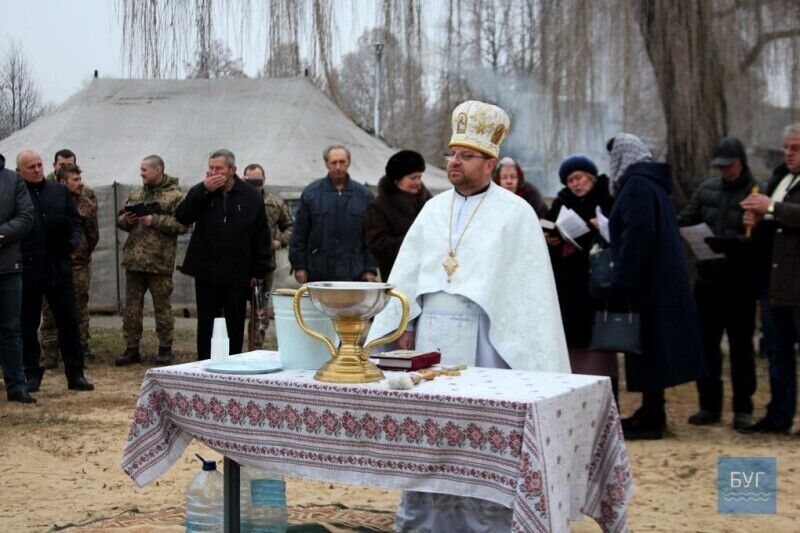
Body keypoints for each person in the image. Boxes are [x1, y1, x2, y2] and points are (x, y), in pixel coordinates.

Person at [367, 100, 569, 532]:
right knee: (431, 439)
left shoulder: (516, 214)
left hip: (487, 344)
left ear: (490, 162)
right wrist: (403, 324)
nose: (454, 162)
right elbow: (407, 277)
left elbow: (529, 298)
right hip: (431, 346)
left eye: (465, 155)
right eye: (451, 154)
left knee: (481, 442)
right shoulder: (433, 208)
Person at [606, 133, 704, 440]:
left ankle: (652, 417)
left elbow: (638, 235)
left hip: (645, 282)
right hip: (659, 280)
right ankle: (652, 409)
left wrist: (622, 278)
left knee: (647, 346)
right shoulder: (652, 184)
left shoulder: (636, 186)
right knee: (651, 346)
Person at [677, 137, 758, 430]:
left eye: (730, 166)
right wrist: (683, 226)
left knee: (741, 349)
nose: (725, 171)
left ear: (741, 163)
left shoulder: (756, 192)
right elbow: (687, 217)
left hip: (740, 284)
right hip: (707, 281)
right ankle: (709, 406)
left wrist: (732, 244)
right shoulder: (706, 189)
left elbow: (760, 241)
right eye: (721, 166)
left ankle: (743, 410)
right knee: (707, 346)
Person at [175, 149, 273, 360]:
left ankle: (232, 363)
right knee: (207, 322)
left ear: (233, 170)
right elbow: (182, 216)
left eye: (218, 168)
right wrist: (204, 190)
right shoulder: (201, 191)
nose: (213, 172)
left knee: (234, 322)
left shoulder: (250, 196)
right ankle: (204, 363)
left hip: (238, 272)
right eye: (210, 168)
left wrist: (259, 269)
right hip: (206, 270)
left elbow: (261, 235)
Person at [739, 123, 800, 434]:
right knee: (778, 352)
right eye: (786, 148)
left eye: (795, 148)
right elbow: (775, 222)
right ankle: (779, 415)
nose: (788, 153)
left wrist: (772, 207)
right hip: (774, 282)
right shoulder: (780, 178)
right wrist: (758, 217)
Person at [16, 150, 94, 392]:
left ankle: (75, 373)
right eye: (31, 167)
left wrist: (71, 244)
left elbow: (76, 221)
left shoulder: (59, 191)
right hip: (29, 268)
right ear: (20, 172)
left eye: (39, 165)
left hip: (59, 268)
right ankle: (31, 374)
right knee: (28, 324)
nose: (38, 170)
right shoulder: (15, 195)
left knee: (69, 321)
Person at [544, 155, 617, 396]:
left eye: (579, 178)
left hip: (597, 281)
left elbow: (617, 234)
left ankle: (606, 395)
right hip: (569, 283)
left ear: (591, 177)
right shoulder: (561, 202)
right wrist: (552, 239)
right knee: (572, 343)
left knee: (599, 344)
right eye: (570, 180)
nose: (575, 184)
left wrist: (601, 226)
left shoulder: (606, 200)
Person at [115, 156, 188, 366]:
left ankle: (165, 348)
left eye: (145, 170)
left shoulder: (175, 196)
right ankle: (131, 348)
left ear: (159, 170)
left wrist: (154, 220)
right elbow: (120, 220)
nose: (141, 173)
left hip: (159, 262)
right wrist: (126, 220)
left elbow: (183, 225)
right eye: (141, 169)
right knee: (132, 308)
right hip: (135, 261)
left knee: (162, 307)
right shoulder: (136, 193)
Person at [40, 164, 99, 370]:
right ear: (62, 182)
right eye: (75, 180)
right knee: (49, 310)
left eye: (80, 179)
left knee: (79, 307)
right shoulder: (49, 200)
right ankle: (49, 352)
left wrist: (80, 252)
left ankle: (80, 349)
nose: (80, 183)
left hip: (77, 264)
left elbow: (93, 235)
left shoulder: (86, 203)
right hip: (52, 262)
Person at [289, 145, 377, 283]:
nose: (338, 167)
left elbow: (371, 237)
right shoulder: (311, 194)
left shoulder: (364, 196)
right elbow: (299, 234)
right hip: (319, 272)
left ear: (349, 163)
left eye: (342, 162)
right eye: (334, 162)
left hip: (354, 273)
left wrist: (370, 268)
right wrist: (299, 266)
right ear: (326, 164)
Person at [0, 153, 35, 403]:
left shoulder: (13, 181)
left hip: (7, 268)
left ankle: (16, 385)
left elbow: (25, 218)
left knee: (11, 329)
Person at [365, 149, 432, 280]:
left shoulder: (429, 202)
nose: (418, 182)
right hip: (397, 275)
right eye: (413, 178)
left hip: (428, 274)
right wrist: (413, 240)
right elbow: (378, 245)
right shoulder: (378, 207)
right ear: (397, 180)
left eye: (420, 177)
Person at [242, 163, 293, 291]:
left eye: (258, 181)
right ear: (243, 179)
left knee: (260, 306)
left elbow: (291, 227)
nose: (255, 185)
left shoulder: (275, 202)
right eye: (251, 181)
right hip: (238, 264)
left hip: (265, 264)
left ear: (264, 179)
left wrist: (279, 242)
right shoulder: (236, 200)